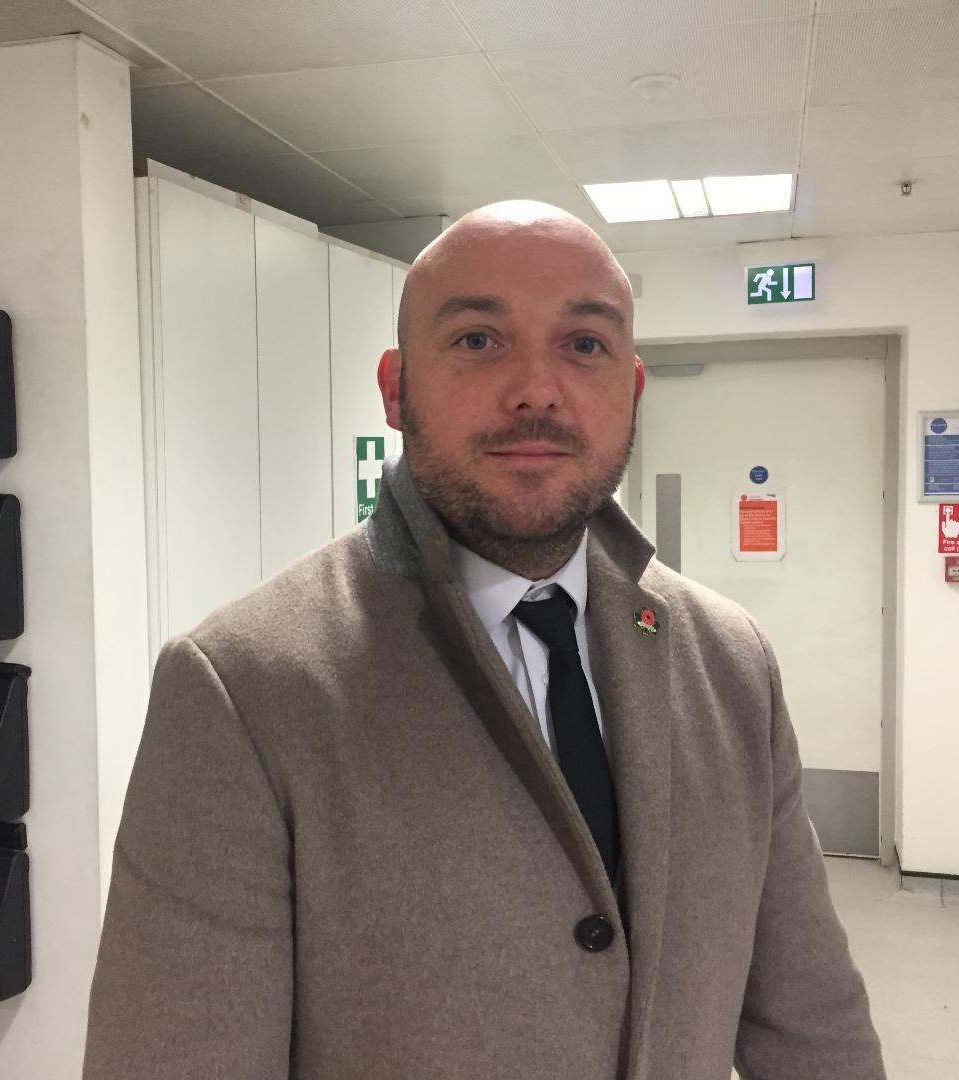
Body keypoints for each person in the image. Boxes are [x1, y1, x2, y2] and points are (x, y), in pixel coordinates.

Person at [82, 202, 885, 1079]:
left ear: (631, 391)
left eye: (584, 344)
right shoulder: (243, 692)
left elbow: (813, 1024)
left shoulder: (729, 662)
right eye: (477, 340)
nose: (537, 390)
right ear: (395, 389)